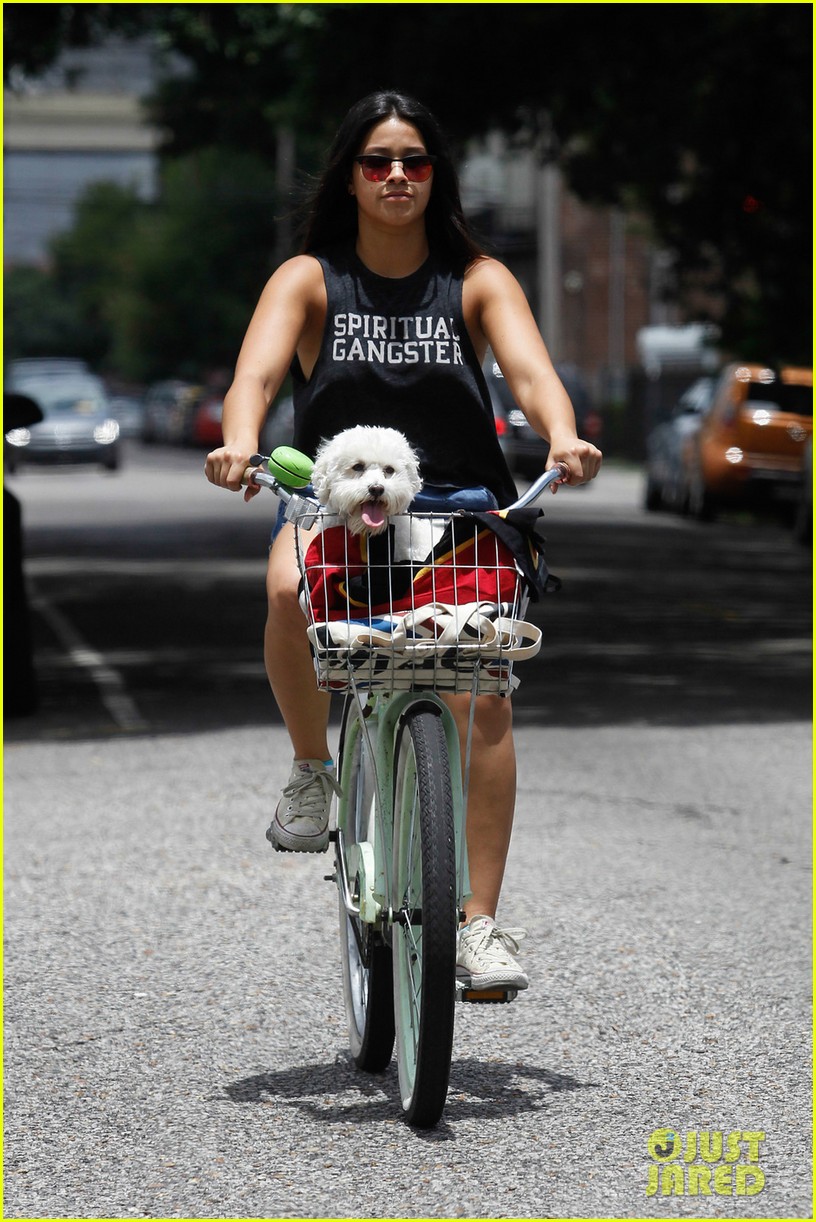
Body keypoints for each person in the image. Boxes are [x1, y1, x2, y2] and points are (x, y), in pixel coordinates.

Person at [205, 91, 602, 991]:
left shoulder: (478, 279)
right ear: (350, 175)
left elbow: (533, 374)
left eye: (414, 162)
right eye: (378, 161)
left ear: (436, 176)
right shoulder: (308, 279)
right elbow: (256, 377)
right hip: (338, 513)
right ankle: (314, 770)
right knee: (281, 592)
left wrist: (563, 433)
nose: (396, 177)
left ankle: (481, 927)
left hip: (464, 509)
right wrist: (238, 442)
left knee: (486, 696)